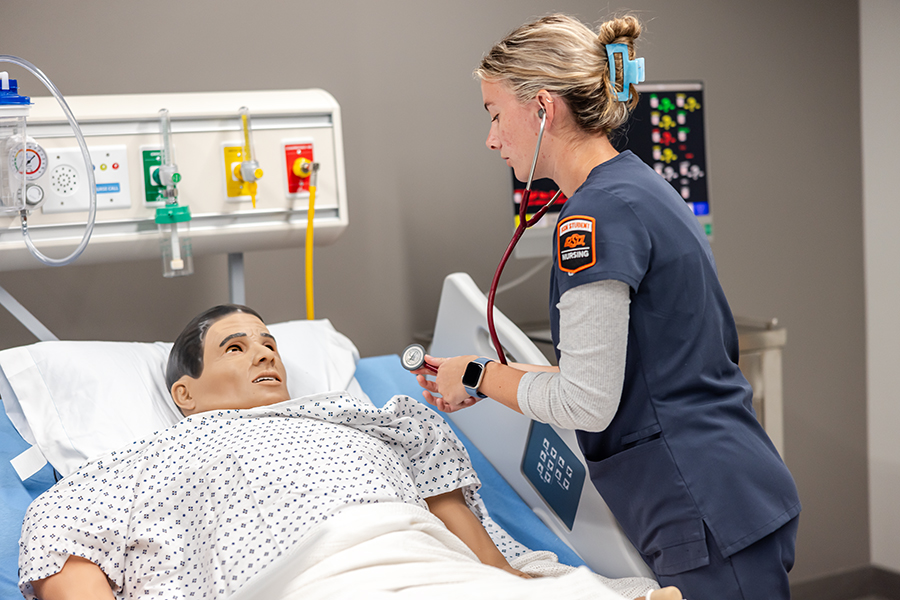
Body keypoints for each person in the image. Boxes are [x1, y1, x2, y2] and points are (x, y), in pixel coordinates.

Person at [414, 14, 801, 600]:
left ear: (543, 108)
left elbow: (585, 402)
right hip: (723, 491)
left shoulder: (594, 219)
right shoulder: (635, 187)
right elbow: (633, 377)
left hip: (702, 506)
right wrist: (487, 377)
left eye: (495, 114)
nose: (491, 138)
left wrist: (479, 374)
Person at [20, 304, 680, 600]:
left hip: (422, 555)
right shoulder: (148, 456)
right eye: (236, 347)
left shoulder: (359, 414)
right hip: (302, 576)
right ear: (185, 394)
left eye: (269, 344)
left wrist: (499, 574)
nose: (264, 354)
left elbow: (440, 481)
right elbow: (61, 534)